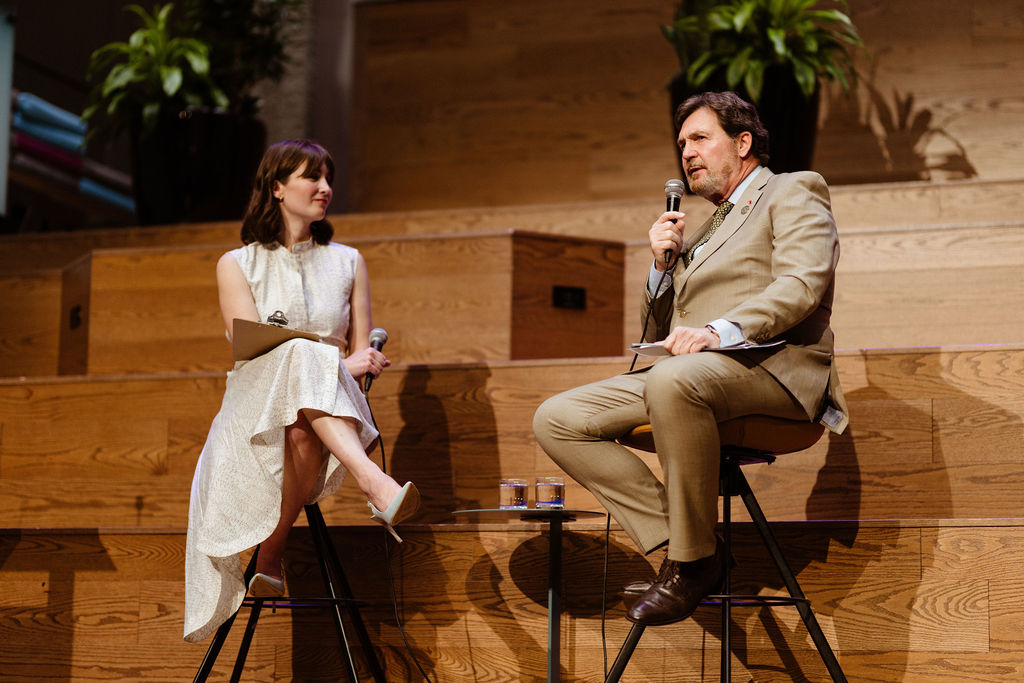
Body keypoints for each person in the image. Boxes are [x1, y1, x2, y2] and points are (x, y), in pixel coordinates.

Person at [532, 91, 848, 627]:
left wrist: (717, 331)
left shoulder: (792, 190)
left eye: (700, 138)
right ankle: (694, 548)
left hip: (775, 369)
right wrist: (660, 267)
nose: (687, 153)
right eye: (682, 144)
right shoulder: (699, 231)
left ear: (743, 142)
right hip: (690, 374)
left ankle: (690, 560)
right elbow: (656, 331)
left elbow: (802, 284)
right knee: (557, 419)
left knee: (675, 380)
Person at [184, 139, 420, 642]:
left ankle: (270, 555)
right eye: (312, 177)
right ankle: (374, 483)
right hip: (254, 405)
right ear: (276, 187)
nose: (326, 188)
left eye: (328, 178)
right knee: (295, 366)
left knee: (303, 428)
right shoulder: (236, 263)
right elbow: (246, 344)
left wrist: (350, 361)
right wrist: (331, 357)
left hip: (328, 408)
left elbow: (360, 363)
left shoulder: (349, 261)